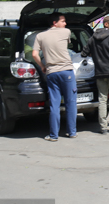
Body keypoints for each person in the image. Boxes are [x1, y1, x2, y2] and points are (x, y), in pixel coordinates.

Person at [32, 13, 78, 141]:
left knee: (54, 105)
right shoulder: (66, 32)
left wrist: (42, 66)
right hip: (66, 72)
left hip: (51, 72)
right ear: (54, 22)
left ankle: (53, 135)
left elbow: (35, 54)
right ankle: (72, 132)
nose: (65, 24)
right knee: (70, 103)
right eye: (63, 21)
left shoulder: (40, 36)